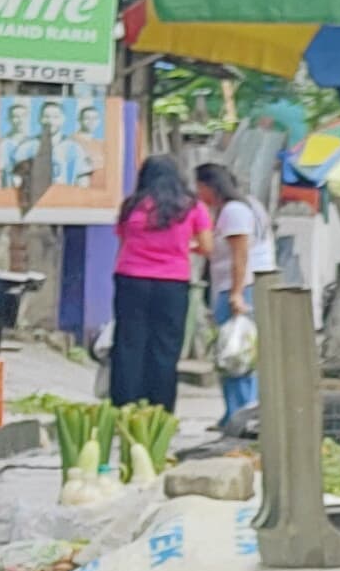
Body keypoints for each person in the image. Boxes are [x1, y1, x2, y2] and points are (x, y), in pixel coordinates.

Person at [109, 153, 208, 413]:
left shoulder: (131, 205)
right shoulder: (192, 206)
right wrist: (184, 247)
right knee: (165, 346)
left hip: (131, 279)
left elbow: (123, 242)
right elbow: (207, 246)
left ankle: (125, 406)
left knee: (129, 343)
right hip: (172, 283)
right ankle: (160, 409)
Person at [197, 159, 262, 436]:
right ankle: (231, 414)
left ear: (211, 187)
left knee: (238, 355)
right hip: (228, 287)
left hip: (236, 289)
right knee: (228, 353)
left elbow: (240, 255)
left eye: (199, 187)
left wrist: (236, 293)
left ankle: (243, 414)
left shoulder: (234, 212)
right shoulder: (237, 208)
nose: (198, 193)